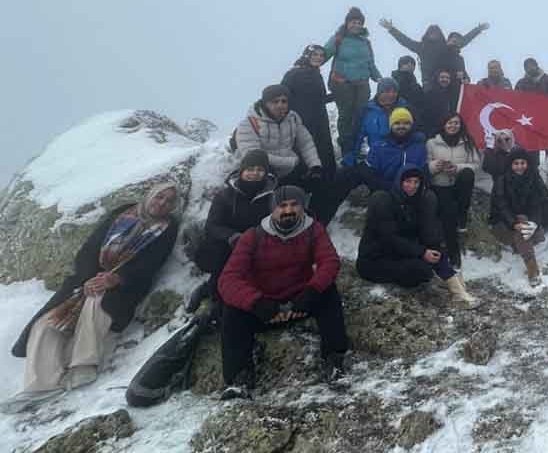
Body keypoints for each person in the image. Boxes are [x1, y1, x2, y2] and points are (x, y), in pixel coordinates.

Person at [4, 183, 181, 414]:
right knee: (46, 324)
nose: (162, 204)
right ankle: (40, 385)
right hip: (84, 281)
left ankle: (83, 364)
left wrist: (117, 278)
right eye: (160, 197)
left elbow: (151, 264)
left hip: (123, 288)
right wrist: (86, 280)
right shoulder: (123, 213)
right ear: (149, 196)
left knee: (97, 301)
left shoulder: (166, 228)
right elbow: (90, 249)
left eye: (169, 201)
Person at [216, 186, 349, 399]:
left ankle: (334, 361)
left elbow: (329, 262)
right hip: (264, 308)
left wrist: (311, 292)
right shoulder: (252, 236)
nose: (289, 210)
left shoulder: (313, 230)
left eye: (295, 204)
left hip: (300, 301)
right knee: (231, 311)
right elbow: (228, 279)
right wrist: (256, 303)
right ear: (273, 209)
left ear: (303, 207)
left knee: (329, 293)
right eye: (282, 205)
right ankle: (239, 378)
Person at [358, 166, 479, 308]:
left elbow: (424, 235)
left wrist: (437, 250)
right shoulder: (383, 200)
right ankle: (450, 286)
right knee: (420, 270)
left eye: (416, 182)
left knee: (432, 252)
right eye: (408, 181)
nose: (412, 186)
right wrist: (421, 252)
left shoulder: (414, 203)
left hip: (396, 254)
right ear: (399, 181)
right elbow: (389, 239)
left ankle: (457, 289)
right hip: (374, 260)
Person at [192, 151, 276, 311]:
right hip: (228, 245)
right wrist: (232, 236)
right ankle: (212, 294)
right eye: (250, 168)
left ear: (266, 172)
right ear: (242, 170)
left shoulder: (273, 196)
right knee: (220, 258)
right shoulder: (225, 196)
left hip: (258, 245)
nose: (254, 173)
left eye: (260, 169)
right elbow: (212, 225)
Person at [235, 85, 323, 186]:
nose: (280, 105)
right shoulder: (248, 124)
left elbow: (306, 143)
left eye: (284, 101)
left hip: (290, 170)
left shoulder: (293, 118)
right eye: (275, 101)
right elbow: (253, 155)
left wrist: (315, 166)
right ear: (265, 103)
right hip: (261, 174)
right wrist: (290, 162)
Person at [325, 8, 382, 157]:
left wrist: (380, 79)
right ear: (347, 23)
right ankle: (346, 147)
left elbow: (371, 64)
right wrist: (307, 63)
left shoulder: (366, 42)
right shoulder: (339, 39)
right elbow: (324, 53)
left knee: (361, 115)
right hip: (342, 83)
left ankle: (358, 146)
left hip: (362, 84)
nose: (356, 25)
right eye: (353, 22)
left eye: (359, 22)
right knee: (346, 115)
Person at [427, 113, 482, 266]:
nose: (453, 126)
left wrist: (457, 168)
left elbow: (476, 165)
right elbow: (424, 164)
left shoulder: (468, 142)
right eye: (449, 123)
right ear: (443, 124)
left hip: (459, 184)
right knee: (448, 212)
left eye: (456, 123)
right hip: (439, 185)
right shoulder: (432, 143)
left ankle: (463, 213)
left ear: (461, 125)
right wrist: (435, 166)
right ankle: (453, 251)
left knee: (467, 174)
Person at [490, 148, 547, 285]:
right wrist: (514, 223)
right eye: (516, 163)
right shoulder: (501, 181)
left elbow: (537, 204)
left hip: (525, 222)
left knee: (534, 234)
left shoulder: (533, 178)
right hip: (502, 224)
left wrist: (534, 223)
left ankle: (520, 243)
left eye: (523, 163)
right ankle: (532, 269)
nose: (520, 166)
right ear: (510, 164)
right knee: (522, 229)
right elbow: (501, 207)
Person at [281, 44, 338, 179]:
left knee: (323, 153)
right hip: (301, 121)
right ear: (307, 55)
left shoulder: (316, 74)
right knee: (304, 153)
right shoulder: (293, 73)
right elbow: (283, 96)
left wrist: (337, 94)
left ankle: (326, 183)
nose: (319, 58)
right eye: (315, 55)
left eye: (321, 56)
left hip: (319, 120)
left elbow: (319, 99)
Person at [380, 19, 489, 87]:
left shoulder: (445, 46)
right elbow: (405, 41)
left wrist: (478, 30)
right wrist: (391, 29)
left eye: (436, 32)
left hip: (446, 81)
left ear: (440, 34)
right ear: (426, 34)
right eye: (431, 32)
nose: (433, 34)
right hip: (429, 83)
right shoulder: (422, 47)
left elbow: (463, 41)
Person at [342, 78, 409, 167]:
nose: (391, 94)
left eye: (394, 91)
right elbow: (357, 136)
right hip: (376, 158)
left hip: (400, 157)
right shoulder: (367, 111)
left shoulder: (404, 108)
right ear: (379, 92)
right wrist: (350, 160)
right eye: (387, 91)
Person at [391, 56, 428, 132]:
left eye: (412, 63)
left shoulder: (414, 82)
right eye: (406, 63)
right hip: (400, 118)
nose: (410, 65)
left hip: (415, 118)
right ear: (400, 65)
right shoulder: (395, 82)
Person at [421, 68, 460, 139]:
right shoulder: (429, 94)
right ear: (437, 78)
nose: (445, 79)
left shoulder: (452, 94)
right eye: (442, 77)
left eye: (447, 78)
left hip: (449, 131)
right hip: (433, 134)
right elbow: (425, 115)